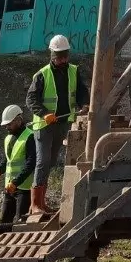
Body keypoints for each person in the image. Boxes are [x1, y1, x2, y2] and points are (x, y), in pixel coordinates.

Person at [25, 34, 88, 216]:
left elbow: (82, 91)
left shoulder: (73, 71)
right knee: (43, 161)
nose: (63, 59)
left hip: (62, 123)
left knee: (51, 162)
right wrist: (45, 114)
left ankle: (41, 204)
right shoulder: (42, 74)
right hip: (44, 126)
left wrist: (84, 104)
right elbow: (31, 98)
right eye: (59, 56)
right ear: (52, 55)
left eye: (65, 56)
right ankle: (35, 204)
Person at [0, 103, 34, 225]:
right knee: (4, 221)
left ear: (19, 120)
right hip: (9, 187)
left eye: (9, 124)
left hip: (24, 188)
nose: (7, 127)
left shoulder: (30, 137)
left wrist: (16, 182)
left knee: (20, 222)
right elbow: (8, 160)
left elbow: (31, 163)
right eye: (5, 125)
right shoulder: (8, 138)